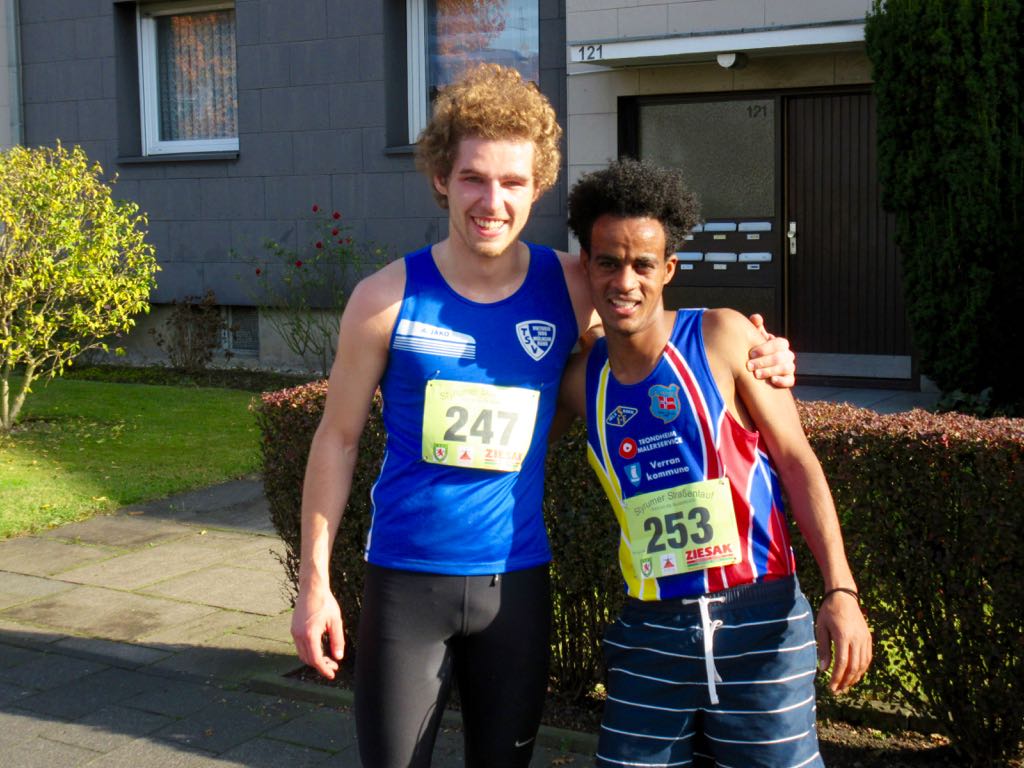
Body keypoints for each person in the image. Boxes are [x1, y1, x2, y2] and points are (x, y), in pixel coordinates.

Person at [289, 65, 796, 768]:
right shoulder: (383, 300)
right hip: (405, 583)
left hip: (517, 584)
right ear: (441, 177)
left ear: (538, 187)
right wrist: (314, 585)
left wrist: (759, 348)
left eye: (512, 182)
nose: (491, 201)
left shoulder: (572, 283)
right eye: (473, 178)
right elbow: (337, 440)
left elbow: (654, 331)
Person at [558, 158, 872, 768]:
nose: (626, 280)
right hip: (651, 631)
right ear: (585, 268)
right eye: (608, 263)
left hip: (762, 622)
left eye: (643, 264)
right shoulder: (579, 381)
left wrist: (841, 589)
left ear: (669, 269)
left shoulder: (722, 337)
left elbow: (797, 461)